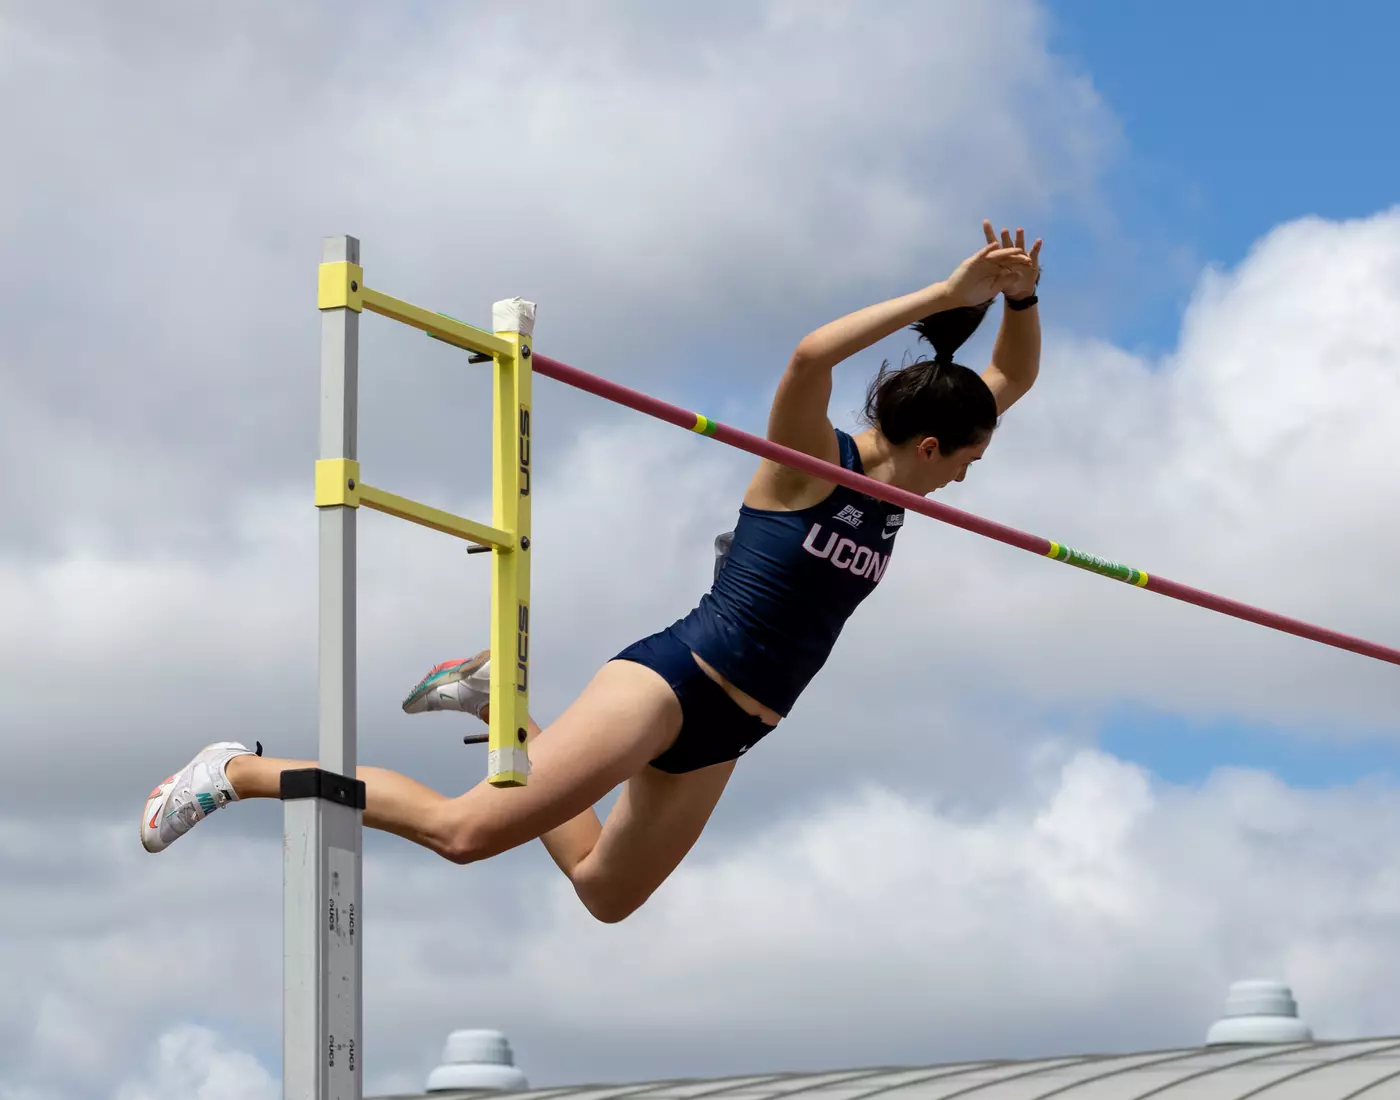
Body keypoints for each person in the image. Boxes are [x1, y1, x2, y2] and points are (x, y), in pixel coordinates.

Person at [140, 220, 1043, 923]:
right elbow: (810, 356)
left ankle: (495, 703)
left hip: (738, 725)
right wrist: (944, 292)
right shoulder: (810, 465)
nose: (966, 479)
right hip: (676, 684)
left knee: (605, 891)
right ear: (930, 445)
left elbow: (1011, 376)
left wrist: (1020, 299)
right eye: (967, 461)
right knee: (464, 833)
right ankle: (237, 772)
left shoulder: (905, 480)